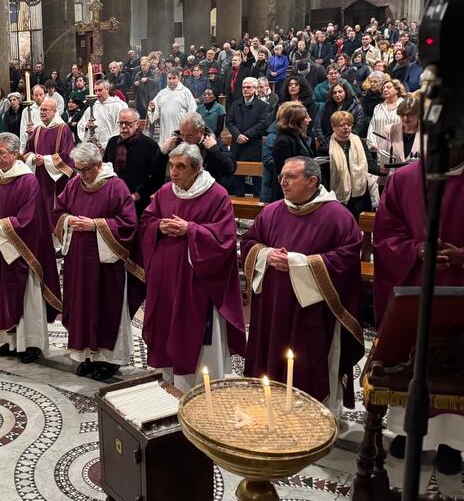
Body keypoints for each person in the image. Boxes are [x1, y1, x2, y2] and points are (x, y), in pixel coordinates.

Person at [243, 156, 365, 414]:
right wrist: (265, 254)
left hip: (311, 315)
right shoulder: (272, 211)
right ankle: (269, 408)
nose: (283, 182)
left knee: (307, 365)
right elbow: (249, 242)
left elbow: (348, 258)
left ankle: (313, 419)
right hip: (272, 308)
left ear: (312, 181)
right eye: (281, 177)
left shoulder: (338, 216)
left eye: (290, 177)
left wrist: (299, 263)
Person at [373, 145, 464, 474]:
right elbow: (385, 235)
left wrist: (460, 256)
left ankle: (453, 442)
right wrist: (416, 250)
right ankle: (407, 431)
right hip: (416, 287)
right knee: (409, 358)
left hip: (459, 289)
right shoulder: (404, 179)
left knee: (455, 361)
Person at [139, 143, 245, 390]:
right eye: (172, 166)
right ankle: (168, 382)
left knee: (195, 333)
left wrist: (191, 230)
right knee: (165, 325)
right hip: (167, 279)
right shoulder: (166, 192)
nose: (173, 172)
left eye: (181, 167)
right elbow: (147, 221)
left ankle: (200, 387)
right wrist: (158, 227)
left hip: (198, 281)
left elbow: (226, 240)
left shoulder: (216, 194)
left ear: (197, 169)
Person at [53, 143, 141, 380]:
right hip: (78, 260)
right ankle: (86, 355)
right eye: (78, 170)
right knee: (81, 306)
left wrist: (95, 225)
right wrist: (67, 220)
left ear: (99, 165)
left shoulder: (116, 187)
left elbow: (128, 224)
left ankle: (108, 360)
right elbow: (58, 211)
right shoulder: (74, 184)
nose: (81, 175)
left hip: (105, 263)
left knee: (105, 308)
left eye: (86, 170)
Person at [0, 132, 62, 364]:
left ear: (15, 154)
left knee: (27, 299)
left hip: (22, 252)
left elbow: (29, 220)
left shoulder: (28, 181)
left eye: (1, 153)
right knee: (1, 295)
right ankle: (10, 341)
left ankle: (30, 344)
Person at [23, 98, 75, 227]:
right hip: (39, 175)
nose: (42, 112)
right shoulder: (38, 129)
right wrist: (33, 159)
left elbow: (67, 154)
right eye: (41, 110)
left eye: (45, 110)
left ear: (54, 112)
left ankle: (57, 235)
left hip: (56, 178)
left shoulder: (63, 128)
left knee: (54, 208)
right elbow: (27, 151)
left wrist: (45, 160)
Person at [103, 107, 162, 217]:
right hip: (113, 198)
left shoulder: (150, 145)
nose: (124, 127)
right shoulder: (112, 143)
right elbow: (105, 168)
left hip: (138, 201)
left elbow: (156, 177)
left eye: (128, 123)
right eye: (121, 123)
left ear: (137, 124)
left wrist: (138, 194)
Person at [326, 111, 379, 218]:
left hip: (360, 193)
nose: (346, 128)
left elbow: (370, 165)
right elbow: (325, 175)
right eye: (342, 125)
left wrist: (383, 170)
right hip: (337, 195)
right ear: (333, 127)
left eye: (349, 125)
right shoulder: (326, 146)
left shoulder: (358, 141)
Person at [162, 112, 235, 188]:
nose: (185, 140)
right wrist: (164, 151)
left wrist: (214, 149)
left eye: (189, 136)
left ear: (201, 131)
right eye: (182, 135)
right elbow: (159, 169)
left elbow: (230, 168)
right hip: (179, 188)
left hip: (207, 190)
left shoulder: (213, 143)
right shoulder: (175, 142)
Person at [225, 77, 271, 196]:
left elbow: (263, 124)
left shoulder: (262, 106)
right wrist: (237, 135)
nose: (245, 89)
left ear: (255, 89)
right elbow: (229, 122)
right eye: (244, 87)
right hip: (238, 145)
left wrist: (245, 135)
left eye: (248, 87)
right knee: (238, 179)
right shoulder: (236, 104)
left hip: (253, 145)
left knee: (257, 180)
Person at [269, 102, 315, 200]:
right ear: (296, 120)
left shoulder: (297, 136)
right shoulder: (283, 141)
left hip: (301, 189)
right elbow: (285, 171)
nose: (309, 120)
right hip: (288, 192)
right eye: (306, 117)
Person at [148, 69, 198, 145]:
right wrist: (152, 108)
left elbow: (193, 112)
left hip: (180, 131)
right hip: (165, 131)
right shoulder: (162, 93)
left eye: (174, 78)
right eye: (169, 78)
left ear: (179, 79)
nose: (171, 81)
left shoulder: (185, 92)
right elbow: (154, 112)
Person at [78, 80, 126, 151]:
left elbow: (119, 127)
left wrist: (107, 144)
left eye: (100, 90)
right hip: (95, 147)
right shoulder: (92, 107)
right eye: (95, 91)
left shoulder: (118, 106)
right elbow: (81, 124)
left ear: (107, 89)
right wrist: (86, 126)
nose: (97, 93)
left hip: (112, 146)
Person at [365, 77, 406, 150]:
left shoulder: (404, 105)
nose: (385, 90)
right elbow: (372, 127)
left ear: (397, 89)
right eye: (383, 88)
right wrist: (373, 144)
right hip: (380, 150)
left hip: (401, 149)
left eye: (388, 87)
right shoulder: (378, 107)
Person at [19, 84, 47, 148]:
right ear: (32, 96)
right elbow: (23, 130)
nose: (38, 97)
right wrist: (22, 147)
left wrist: (36, 130)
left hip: (45, 142)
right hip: (31, 143)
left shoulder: (50, 109)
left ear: (45, 95)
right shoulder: (26, 111)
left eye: (41, 94)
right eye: (36, 95)